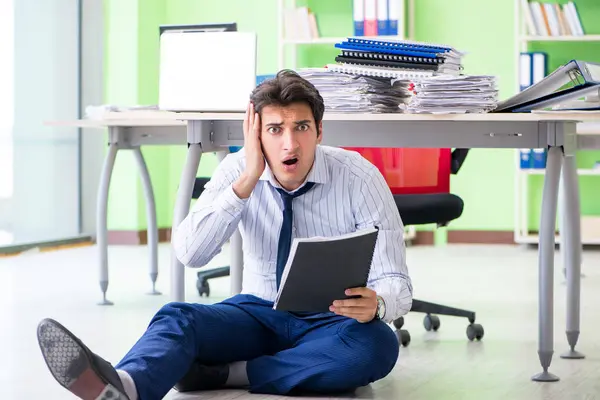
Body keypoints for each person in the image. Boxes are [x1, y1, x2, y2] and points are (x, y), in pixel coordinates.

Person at [36, 70, 413, 400]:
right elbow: (190, 253)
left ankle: (232, 373)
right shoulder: (237, 170)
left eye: (301, 127)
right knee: (178, 317)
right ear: (256, 135)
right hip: (255, 313)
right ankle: (127, 386)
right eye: (274, 130)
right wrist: (247, 181)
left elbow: (395, 279)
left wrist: (378, 304)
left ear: (319, 130)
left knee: (378, 346)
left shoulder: (359, 177)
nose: (290, 144)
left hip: (330, 320)